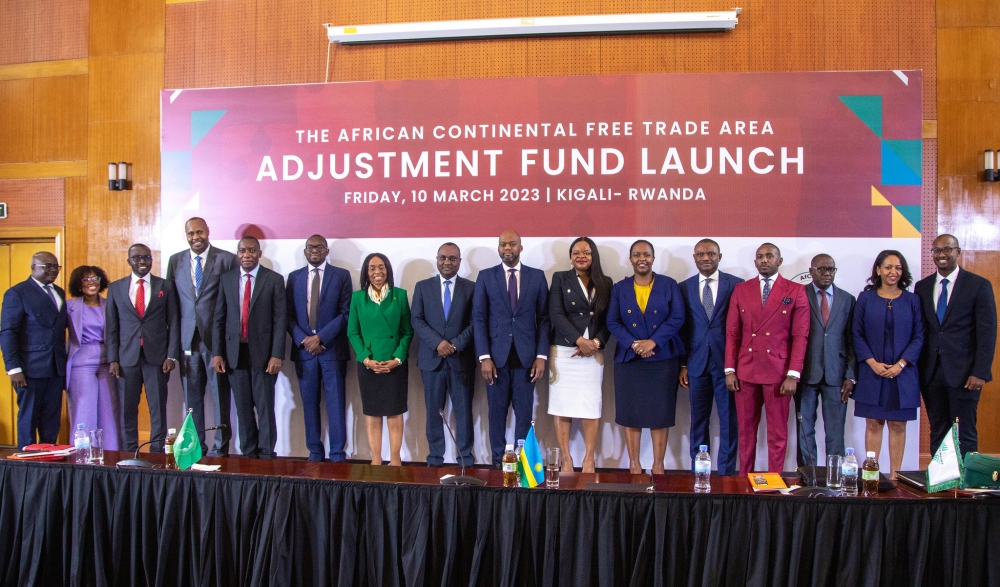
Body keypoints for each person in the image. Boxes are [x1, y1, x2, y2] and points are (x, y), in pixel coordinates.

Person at [725, 243, 809, 474]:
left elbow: (800, 336)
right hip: (745, 371)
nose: (764, 260)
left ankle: (774, 479)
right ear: (754, 262)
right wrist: (729, 370)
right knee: (746, 431)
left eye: (769, 256)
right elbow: (733, 332)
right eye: (760, 257)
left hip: (779, 372)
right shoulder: (742, 289)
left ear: (779, 261)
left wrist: (793, 374)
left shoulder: (794, 290)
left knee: (777, 433)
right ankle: (744, 479)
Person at [472, 230, 550, 467]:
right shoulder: (486, 276)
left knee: (524, 414)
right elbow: (479, 318)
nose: (508, 248)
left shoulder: (537, 277)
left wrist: (541, 355)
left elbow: (544, 318)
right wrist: (484, 356)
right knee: (496, 413)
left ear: (520, 247)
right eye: (503, 244)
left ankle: (522, 463)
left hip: (527, 358)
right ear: (498, 248)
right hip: (495, 359)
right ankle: (498, 462)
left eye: (512, 244)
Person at [607, 240, 685, 474]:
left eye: (647, 255)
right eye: (637, 255)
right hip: (630, 360)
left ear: (653, 258)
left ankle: (658, 466)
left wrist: (653, 342)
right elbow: (612, 321)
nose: (642, 258)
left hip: (662, 358)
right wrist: (634, 344)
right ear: (630, 259)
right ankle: (634, 466)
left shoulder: (669, 285)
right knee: (631, 413)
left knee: (660, 414)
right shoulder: (619, 288)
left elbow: (677, 318)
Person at [916, 235, 997, 458]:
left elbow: (987, 332)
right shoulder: (921, 287)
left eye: (947, 250)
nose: (942, 255)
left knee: (964, 433)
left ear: (958, 252)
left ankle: (966, 487)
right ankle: (941, 484)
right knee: (938, 430)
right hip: (931, 374)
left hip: (965, 375)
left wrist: (980, 372)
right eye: (937, 250)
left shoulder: (978, 285)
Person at [165, 217, 237, 456]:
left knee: (220, 398)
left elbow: (232, 303)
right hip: (188, 340)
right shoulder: (175, 260)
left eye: (199, 232)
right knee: (192, 400)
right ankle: (196, 446)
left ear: (208, 231)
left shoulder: (226, 259)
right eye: (190, 234)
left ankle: (220, 448)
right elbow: (172, 305)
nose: (195, 237)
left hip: (216, 341)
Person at [212, 237, 286, 459]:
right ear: (238, 254)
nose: (247, 254)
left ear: (259, 253)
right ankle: (249, 454)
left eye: (251, 250)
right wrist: (217, 353)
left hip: (264, 356)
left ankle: (266, 454)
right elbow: (219, 318)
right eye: (242, 250)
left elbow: (280, 320)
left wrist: (276, 355)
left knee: (264, 408)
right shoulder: (227, 279)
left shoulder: (273, 279)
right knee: (243, 409)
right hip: (235, 355)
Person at [852, 250, 923, 478]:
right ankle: (872, 475)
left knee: (898, 424)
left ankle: (895, 476)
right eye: (889, 267)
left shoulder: (912, 300)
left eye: (898, 268)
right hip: (872, 373)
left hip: (903, 374)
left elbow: (919, 336)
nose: (894, 272)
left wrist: (901, 364)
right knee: (873, 422)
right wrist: (871, 363)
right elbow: (856, 333)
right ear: (878, 270)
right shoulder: (865, 298)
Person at [106, 244, 180, 453]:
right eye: (136, 257)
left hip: (157, 359)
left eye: (146, 257)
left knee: (157, 409)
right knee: (127, 410)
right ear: (129, 261)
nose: (141, 261)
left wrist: (172, 356)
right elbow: (111, 326)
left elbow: (174, 322)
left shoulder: (165, 286)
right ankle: (130, 452)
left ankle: (157, 452)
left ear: (151, 259)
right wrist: (113, 359)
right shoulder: (116, 288)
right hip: (126, 360)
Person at [547, 237, 612, 473]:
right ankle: (566, 459)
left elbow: (609, 320)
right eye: (576, 252)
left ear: (593, 255)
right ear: (570, 256)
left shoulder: (605, 282)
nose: (580, 256)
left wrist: (595, 342)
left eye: (586, 252)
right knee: (562, 405)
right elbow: (555, 314)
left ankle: (588, 459)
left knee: (590, 406)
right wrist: (579, 340)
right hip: (565, 351)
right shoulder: (559, 278)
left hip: (592, 353)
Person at [679, 239, 743, 476]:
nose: (706, 258)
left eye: (711, 254)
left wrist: (735, 365)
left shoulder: (736, 285)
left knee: (728, 422)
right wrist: (683, 364)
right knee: (698, 422)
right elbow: (682, 328)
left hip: (727, 366)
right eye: (701, 254)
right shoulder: (683, 287)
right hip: (696, 365)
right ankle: (700, 472)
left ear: (720, 256)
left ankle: (727, 474)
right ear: (694, 258)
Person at [286, 235, 353, 462]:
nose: (315, 250)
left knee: (336, 405)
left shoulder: (341, 276)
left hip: (332, 351)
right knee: (309, 405)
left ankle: (337, 454)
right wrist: (304, 340)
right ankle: (314, 452)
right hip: (304, 352)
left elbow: (345, 313)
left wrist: (321, 337)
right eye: (310, 247)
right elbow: (288, 316)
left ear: (327, 251)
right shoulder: (293, 278)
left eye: (319, 247)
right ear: (305, 251)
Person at [410, 243, 476, 467]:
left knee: (464, 414)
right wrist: (438, 343)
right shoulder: (422, 287)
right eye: (443, 258)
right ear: (436, 259)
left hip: (461, 360)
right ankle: (435, 459)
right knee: (433, 413)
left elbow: (475, 322)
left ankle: (465, 458)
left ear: (459, 261)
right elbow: (416, 320)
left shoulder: (471, 288)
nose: (447, 262)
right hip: (432, 361)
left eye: (453, 259)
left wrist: (455, 345)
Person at [347, 253, 414, 466]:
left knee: (394, 413)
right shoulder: (358, 298)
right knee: (373, 413)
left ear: (388, 270)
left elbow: (407, 332)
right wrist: (366, 359)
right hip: (369, 365)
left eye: (382, 267)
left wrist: (398, 358)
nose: (378, 272)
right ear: (366, 272)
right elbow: (353, 332)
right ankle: (376, 459)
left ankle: (395, 460)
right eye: (372, 268)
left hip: (394, 364)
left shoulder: (400, 295)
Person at [0, 252, 68, 448]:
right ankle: (26, 467)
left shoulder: (59, 292)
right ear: (33, 268)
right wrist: (13, 368)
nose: (53, 270)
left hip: (55, 369)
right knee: (28, 419)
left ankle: (47, 465)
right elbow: (8, 332)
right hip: (29, 369)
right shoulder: (17, 293)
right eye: (47, 266)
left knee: (51, 421)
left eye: (56, 266)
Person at [795, 254, 857, 466]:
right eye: (821, 269)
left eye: (831, 269)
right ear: (811, 271)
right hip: (805, 373)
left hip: (836, 375)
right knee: (805, 428)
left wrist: (850, 374)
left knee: (835, 430)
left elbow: (851, 340)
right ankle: (808, 475)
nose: (827, 273)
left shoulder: (847, 299)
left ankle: (834, 475)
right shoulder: (799, 295)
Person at [66, 265, 120, 450]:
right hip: (81, 364)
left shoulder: (109, 304)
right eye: (86, 280)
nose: (92, 283)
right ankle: (82, 456)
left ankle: (111, 455)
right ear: (79, 284)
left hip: (108, 362)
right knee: (85, 409)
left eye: (95, 279)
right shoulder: (69, 307)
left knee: (109, 411)